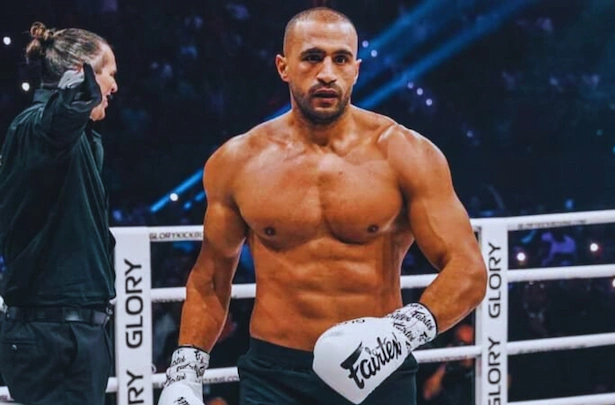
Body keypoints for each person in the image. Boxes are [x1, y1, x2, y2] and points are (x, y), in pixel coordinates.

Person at [158, 7, 487, 405]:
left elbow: (468, 269)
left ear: (356, 69)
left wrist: (401, 332)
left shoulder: (406, 154)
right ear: (283, 67)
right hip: (274, 376)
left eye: (341, 59)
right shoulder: (238, 162)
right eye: (313, 57)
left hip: (378, 370)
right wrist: (185, 371)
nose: (327, 73)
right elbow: (210, 278)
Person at [0, 22, 118, 405]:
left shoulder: (79, 140)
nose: (115, 86)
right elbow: (56, 123)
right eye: (109, 74)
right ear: (83, 72)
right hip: (52, 337)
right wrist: (78, 93)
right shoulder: (35, 128)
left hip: (74, 334)